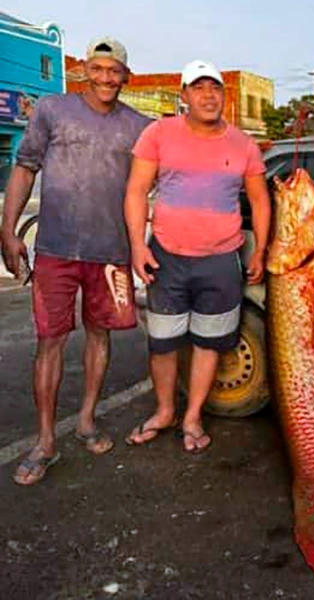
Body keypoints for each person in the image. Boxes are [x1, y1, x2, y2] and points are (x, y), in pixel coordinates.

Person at [0, 37, 150, 485]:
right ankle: (45, 439)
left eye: (114, 70)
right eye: (98, 69)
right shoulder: (52, 110)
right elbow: (25, 168)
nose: (106, 78)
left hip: (111, 253)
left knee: (100, 336)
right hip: (56, 250)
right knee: (50, 342)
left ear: (126, 75)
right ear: (86, 70)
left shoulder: (140, 126)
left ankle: (86, 419)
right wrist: (7, 232)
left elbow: (164, 175)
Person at [123, 60, 271, 453]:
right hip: (166, 257)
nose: (208, 95)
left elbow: (259, 200)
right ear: (184, 95)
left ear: (224, 95)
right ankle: (165, 411)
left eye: (216, 88)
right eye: (199, 87)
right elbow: (137, 191)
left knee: (209, 343)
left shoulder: (243, 143)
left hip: (221, 260)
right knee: (163, 342)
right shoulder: (158, 133)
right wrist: (138, 246)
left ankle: (192, 417)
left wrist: (264, 249)